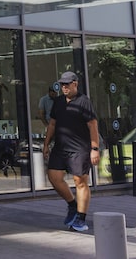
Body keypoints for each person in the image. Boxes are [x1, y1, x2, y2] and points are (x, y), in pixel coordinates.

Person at [43, 71, 100, 232]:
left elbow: (92, 125)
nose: (64, 87)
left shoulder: (84, 101)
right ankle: (72, 204)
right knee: (53, 176)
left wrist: (95, 149)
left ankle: (81, 218)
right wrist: (46, 144)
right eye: (62, 84)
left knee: (80, 182)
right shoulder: (58, 102)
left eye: (67, 84)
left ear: (75, 84)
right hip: (60, 147)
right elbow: (52, 124)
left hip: (80, 149)